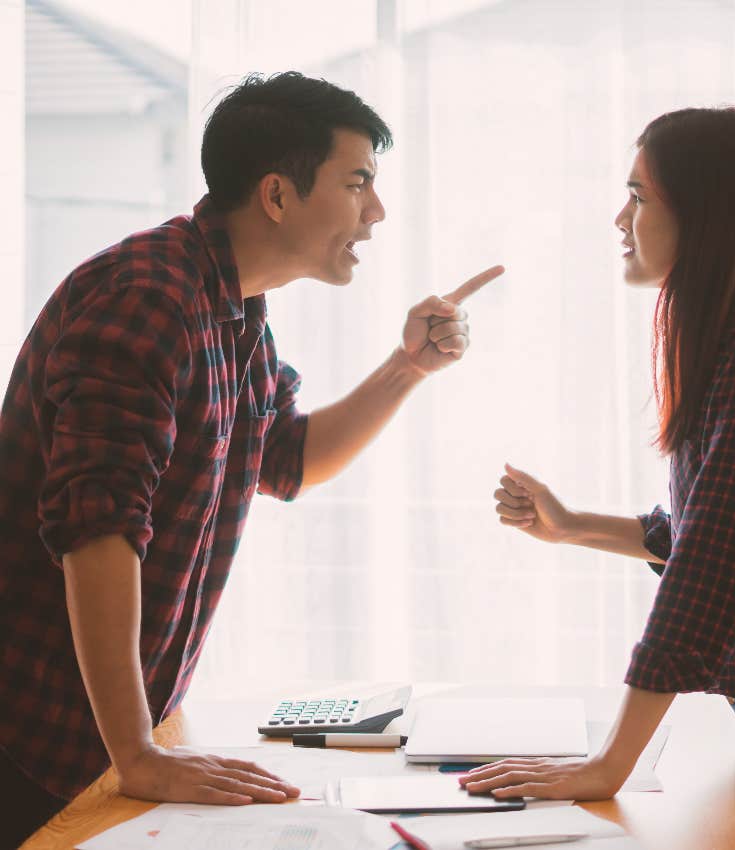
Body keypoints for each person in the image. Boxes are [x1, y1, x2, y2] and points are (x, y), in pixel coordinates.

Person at [0, 71, 503, 848]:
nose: (376, 212)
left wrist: (408, 367)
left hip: (106, 741)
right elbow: (95, 525)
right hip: (34, 742)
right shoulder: (148, 296)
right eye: (358, 182)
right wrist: (134, 752)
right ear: (276, 194)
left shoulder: (231, 307)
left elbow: (289, 459)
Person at [461, 107, 735, 850]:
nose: (619, 218)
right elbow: (712, 527)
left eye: (638, 197)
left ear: (704, 214)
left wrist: (606, 766)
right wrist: (570, 524)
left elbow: (707, 569)